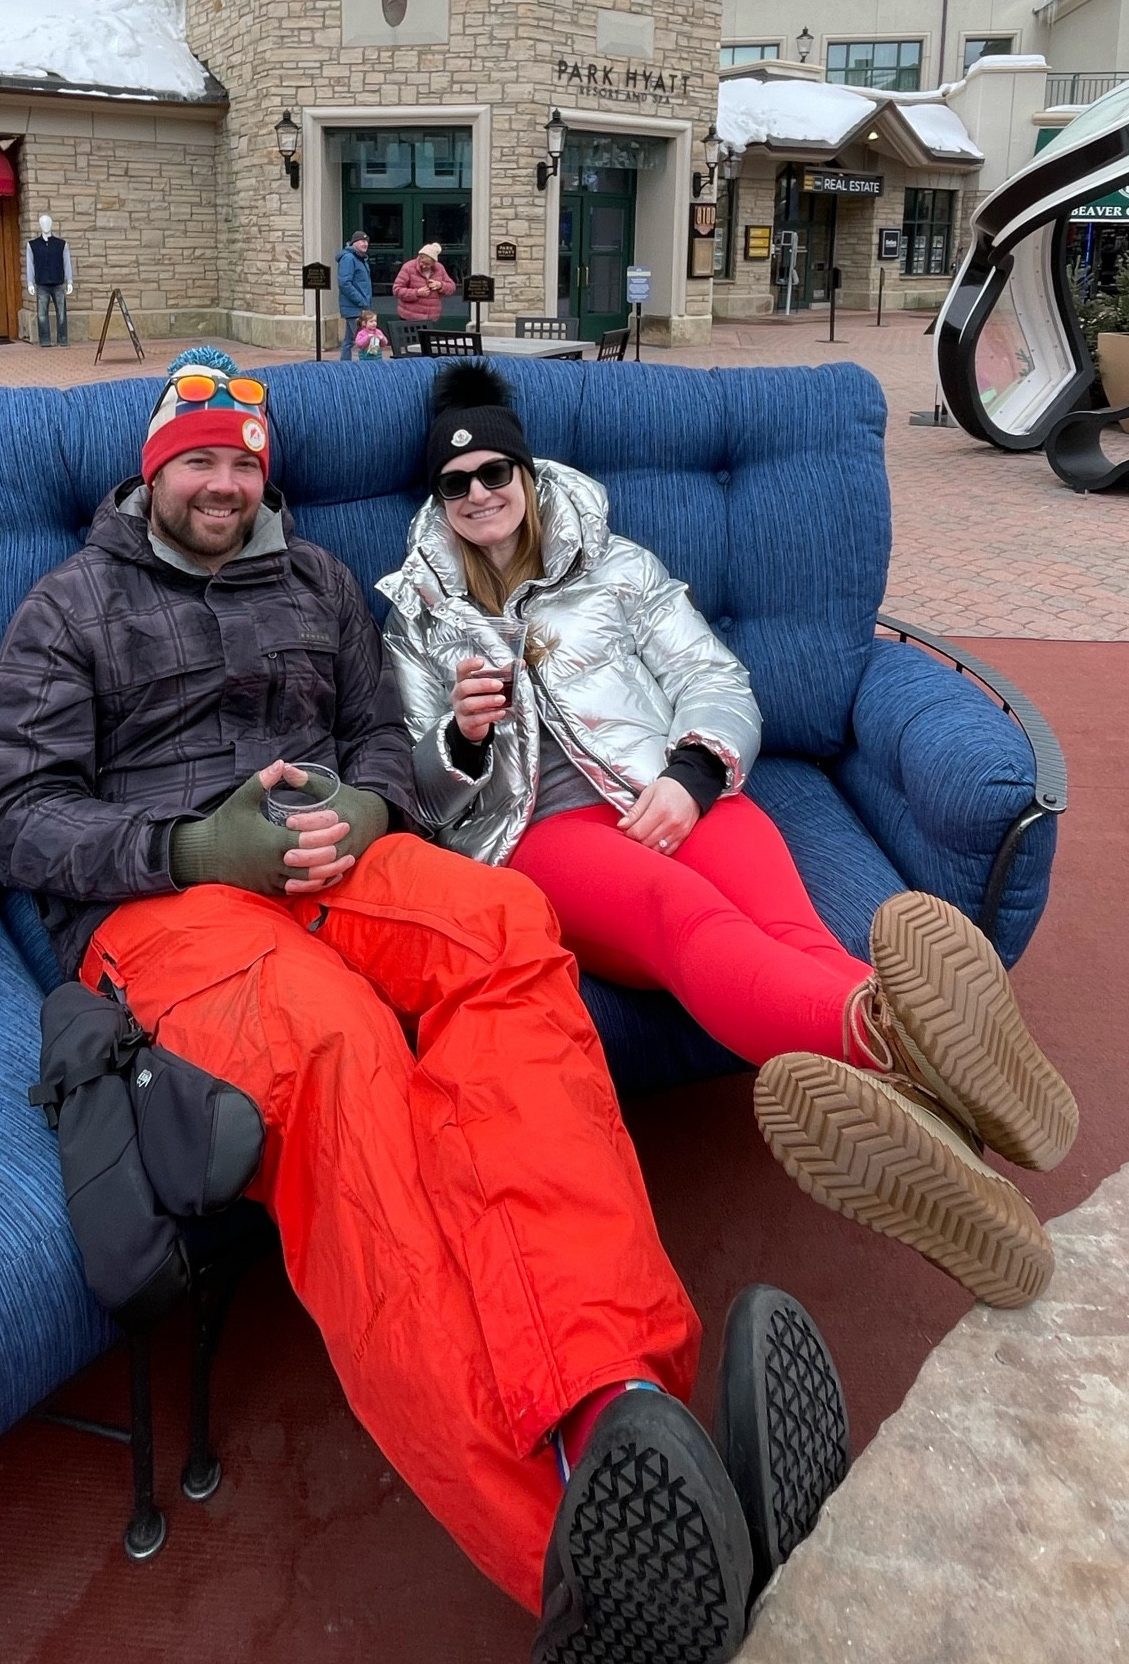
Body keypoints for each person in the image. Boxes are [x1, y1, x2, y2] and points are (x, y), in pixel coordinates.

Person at [0, 345, 850, 1664]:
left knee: (507, 928)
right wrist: (191, 844)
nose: (222, 484)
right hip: (165, 912)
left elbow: (385, 740)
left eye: (241, 462)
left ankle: (616, 1400)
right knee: (340, 1051)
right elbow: (17, 818)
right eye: (196, 461)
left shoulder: (320, 586)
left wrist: (371, 806)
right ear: (154, 473)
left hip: (339, 866)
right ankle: (572, 1557)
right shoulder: (71, 606)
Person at [380, 364, 1080, 1313]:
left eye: (494, 471)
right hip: (545, 832)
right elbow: (417, 792)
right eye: (454, 482)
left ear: (528, 474)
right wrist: (460, 740)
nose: (477, 494)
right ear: (438, 497)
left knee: (798, 937)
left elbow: (713, 677)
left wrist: (693, 776)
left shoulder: (619, 567)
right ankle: (901, 1044)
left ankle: (956, 1165)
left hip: (677, 787)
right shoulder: (419, 619)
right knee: (688, 918)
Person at [392, 240, 456, 325]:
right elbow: (397, 290)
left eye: (428, 264)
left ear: (434, 262)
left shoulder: (439, 268)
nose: (424, 266)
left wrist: (440, 285)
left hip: (431, 318)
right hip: (410, 317)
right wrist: (416, 293)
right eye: (422, 262)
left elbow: (452, 287)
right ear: (420, 257)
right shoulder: (408, 267)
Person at [336, 231, 372, 361]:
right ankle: (367, 366)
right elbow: (344, 283)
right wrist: (361, 301)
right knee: (365, 340)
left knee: (348, 340)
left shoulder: (360, 259)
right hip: (355, 307)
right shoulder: (349, 258)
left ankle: (344, 365)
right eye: (361, 241)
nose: (365, 244)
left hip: (359, 307)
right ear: (354, 243)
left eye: (366, 241)